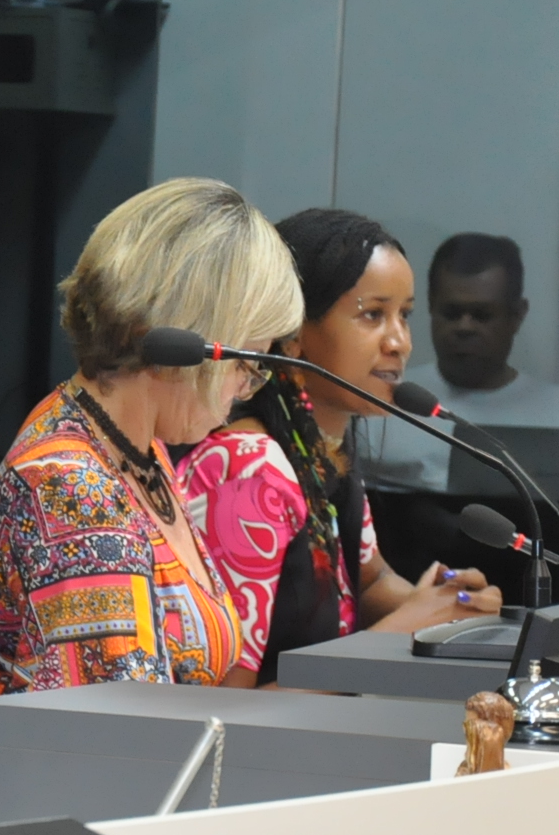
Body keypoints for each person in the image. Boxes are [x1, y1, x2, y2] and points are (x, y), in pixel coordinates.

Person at [0, 179, 300, 694]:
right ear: (185, 344)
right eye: (248, 364)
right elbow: (118, 741)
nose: (248, 389)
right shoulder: (78, 492)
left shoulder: (134, 450)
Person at [180, 209, 499, 688]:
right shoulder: (250, 470)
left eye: (405, 315)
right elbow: (224, 709)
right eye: (373, 315)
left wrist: (449, 605)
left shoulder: (321, 450)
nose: (400, 343)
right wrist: (403, 628)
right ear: (291, 334)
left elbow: (366, 582)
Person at [359, 232, 559, 493]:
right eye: (452, 313)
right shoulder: (380, 401)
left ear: (517, 316)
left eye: (482, 315)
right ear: (432, 307)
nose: (464, 327)